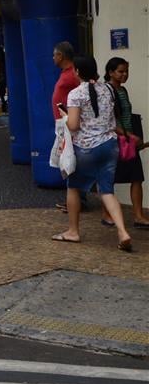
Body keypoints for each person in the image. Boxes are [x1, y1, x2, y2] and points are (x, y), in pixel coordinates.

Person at [52, 57, 133, 251]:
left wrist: (65, 115)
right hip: (109, 145)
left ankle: (73, 231)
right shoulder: (108, 89)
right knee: (107, 191)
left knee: (73, 187)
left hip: (86, 148)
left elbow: (73, 125)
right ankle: (123, 232)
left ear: (77, 72)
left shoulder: (75, 94)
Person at [105, 57, 148, 229]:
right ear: (110, 72)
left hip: (129, 140)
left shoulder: (123, 90)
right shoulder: (107, 92)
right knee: (109, 178)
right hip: (116, 140)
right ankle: (107, 214)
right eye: (121, 71)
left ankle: (138, 215)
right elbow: (109, 122)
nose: (125, 74)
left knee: (136, 177)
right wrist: (129, 135)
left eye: (126, 71)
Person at [51, 42, 84, 214]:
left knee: (70, 159)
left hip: (69, 123)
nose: (53, 58)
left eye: (54, 55)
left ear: (61, 56)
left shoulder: (72, 75)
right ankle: (74, 199)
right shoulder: (67, 74)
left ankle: (79, 199)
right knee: (66, 159)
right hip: (63, 123)